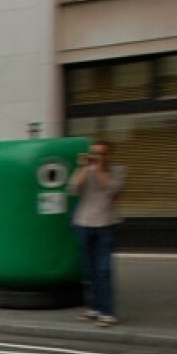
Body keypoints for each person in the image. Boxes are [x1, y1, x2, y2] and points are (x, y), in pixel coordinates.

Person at [69, 139, 126, 327]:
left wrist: (99, 169)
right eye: (94, 153)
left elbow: (112, 189)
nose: (97, 157)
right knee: (88, 269)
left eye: (101, 154)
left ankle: (107, 312)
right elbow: (73, 187)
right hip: (83, 223)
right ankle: (93, 308)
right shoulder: (87, 170)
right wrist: (84, 168)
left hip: (106, 224)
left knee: (103, 269)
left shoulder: (117, 170)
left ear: (109, 155)